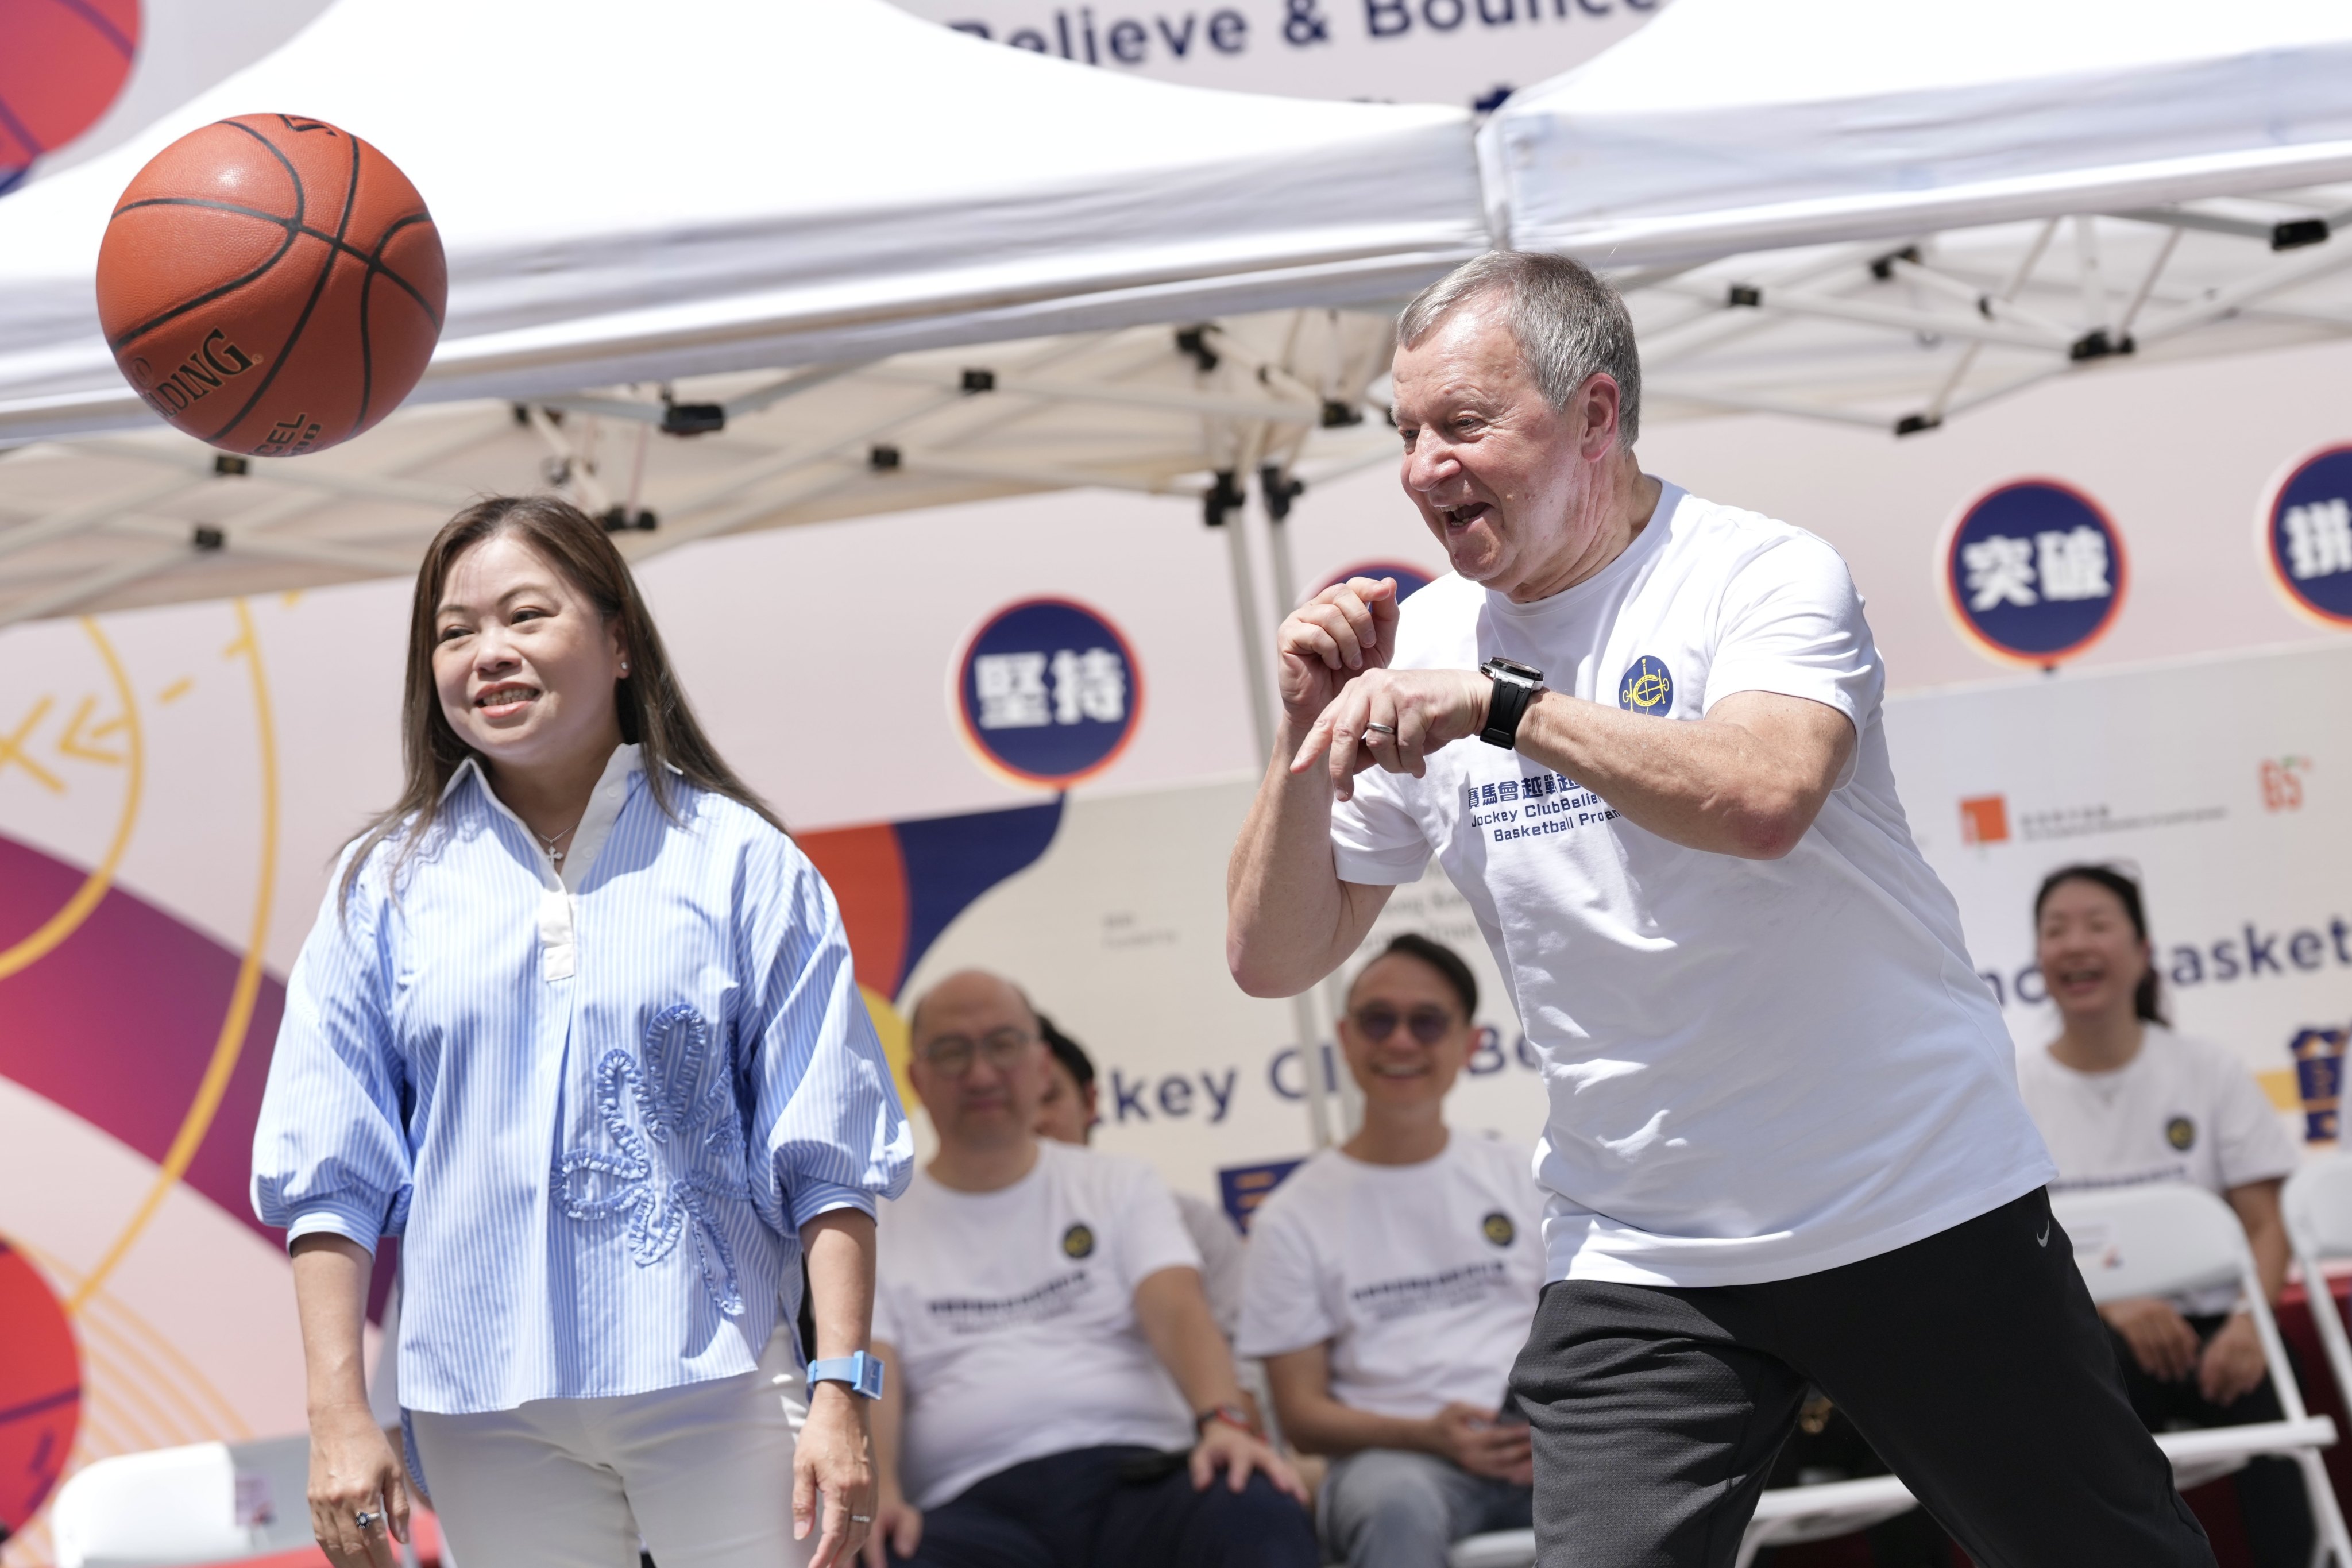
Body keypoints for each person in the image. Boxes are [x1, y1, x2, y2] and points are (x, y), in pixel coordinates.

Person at [1223, 250, 2216, 1567]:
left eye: (1463, 426)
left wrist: (1504, 707)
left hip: (1910, 1201)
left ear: (1594, 416)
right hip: (1644, 1251)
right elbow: (1272, 954)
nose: (1423, 468)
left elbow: (1762, 799)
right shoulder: (1421, 643)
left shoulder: (1757, 573)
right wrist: (1301, 732)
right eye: (1406, 435)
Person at [253, 495, 911, 1568]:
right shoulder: (383, 885)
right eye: (455, 632)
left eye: (525, 615)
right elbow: (328, 1172)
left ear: (617, 641)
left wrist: (842, 1388)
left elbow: (830, 1160)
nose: (488, 653)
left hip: (718, 1380)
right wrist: (338, 1414)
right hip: (480, 1408)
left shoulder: (742, 860)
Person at [863, 969, 1316, 1568]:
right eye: (951, 1052)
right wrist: (881, 1493)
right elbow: (877, 1369)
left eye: (1002, 1044)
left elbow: (1177, 1305)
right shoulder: (878, 1229)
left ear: (1042, 1063)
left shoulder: (1119, 1184)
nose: (980, 1074)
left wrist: (1225, 1421)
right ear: (916, 1079)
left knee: (1256, 1508)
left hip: (1144, 1479)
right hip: (970, 1508)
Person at [2017, 864, 2312, 1568]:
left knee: (2273, 1385)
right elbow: (2017, 1249)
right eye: (2055, 930)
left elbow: (2267, 1224)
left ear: (2144, 951)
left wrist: (2251, 1325)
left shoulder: (2207, 1070)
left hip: (2217, 1334)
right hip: (2090, 1340)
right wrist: (2115, 1307)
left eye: (2097, 924)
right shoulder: (2015, 1090)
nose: (2074, 944)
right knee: (2073, 1414)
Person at [1238, 933, 1543, 1568]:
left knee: (1632, 1483)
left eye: (1427, 1022)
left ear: (1471, 1045)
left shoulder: (1526, 1176)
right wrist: (1427, 1436)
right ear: (1346, 1039)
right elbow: (1299, 1415)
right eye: (1379, 1020)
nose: (1401, 1041)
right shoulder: (1291, 1217)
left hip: (1545, 1453)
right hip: (1395, 1466)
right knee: (1396, 1505)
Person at [1033, 1013, 1247, 1338]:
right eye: (1018, 1105)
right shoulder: (970, 1249)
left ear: (1089, 1102)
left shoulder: (1190, 1224)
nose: (1036, 1121)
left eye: (1049, 1098)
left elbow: (1243, 1371)